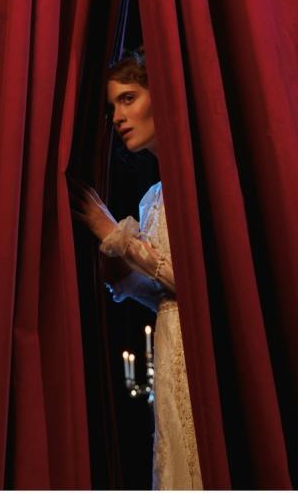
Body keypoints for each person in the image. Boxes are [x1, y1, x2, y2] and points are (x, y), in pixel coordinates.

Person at [69, 48, 203, 489]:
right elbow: (167, 293)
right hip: (170, 346)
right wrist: (125, 271)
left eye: (128, 98)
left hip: (198, 350)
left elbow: (195, 281)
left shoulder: (194, 182)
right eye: (113, 106)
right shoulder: (154, 198)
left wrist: (117, 234)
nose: (119, 116)